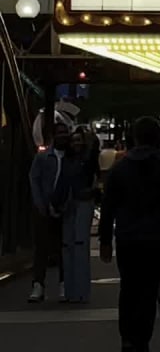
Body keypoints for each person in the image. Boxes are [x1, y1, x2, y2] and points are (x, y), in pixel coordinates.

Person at [99, 116, 160, 352]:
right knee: (148, 291)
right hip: (155, 236)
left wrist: (105, 239)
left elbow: (108, 207)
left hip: (127, 236)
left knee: (128, 288)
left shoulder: (120, 168)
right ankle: (142, 338)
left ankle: (127, 336)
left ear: (135, 137)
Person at [53, 127, 100, 304]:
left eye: (79, 140)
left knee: (78, 245)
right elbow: (63, 183)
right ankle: (72, 290)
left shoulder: (87, 160)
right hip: (71, 203)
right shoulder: (70, 160)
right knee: (70, 246)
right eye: (74, 141)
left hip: (80, 202)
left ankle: (79, 291)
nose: (76, 144)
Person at [28, 120, 70, 303]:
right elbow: (34, 179)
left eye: (65, 133)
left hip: (65, 209)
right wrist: (40, 203)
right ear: (54, 136)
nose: (63, 136)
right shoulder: (44, 157)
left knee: (64, 247)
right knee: (42, 248)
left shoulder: (71, 157)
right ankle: (38, 284)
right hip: (44, 208)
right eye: (59, 133)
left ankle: (64, 283)